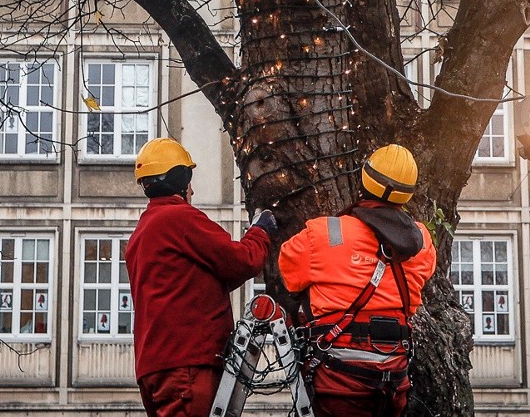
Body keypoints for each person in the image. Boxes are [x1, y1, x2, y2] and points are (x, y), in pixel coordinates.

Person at [278, 144, 437, 417]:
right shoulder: (422, 241)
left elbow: (290, 277)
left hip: (337, 379)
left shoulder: (323, 232)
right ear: (408, 193)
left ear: (364, 178)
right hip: (393, 378)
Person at [125, 137, 276, 417]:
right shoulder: (179, 219)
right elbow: (242, 261)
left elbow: (196, 282)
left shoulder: (142, 234)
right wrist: (260, 231)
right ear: (181, 179)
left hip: (156, 368)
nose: (192, 190)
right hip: (187, 365)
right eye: (189, 181)